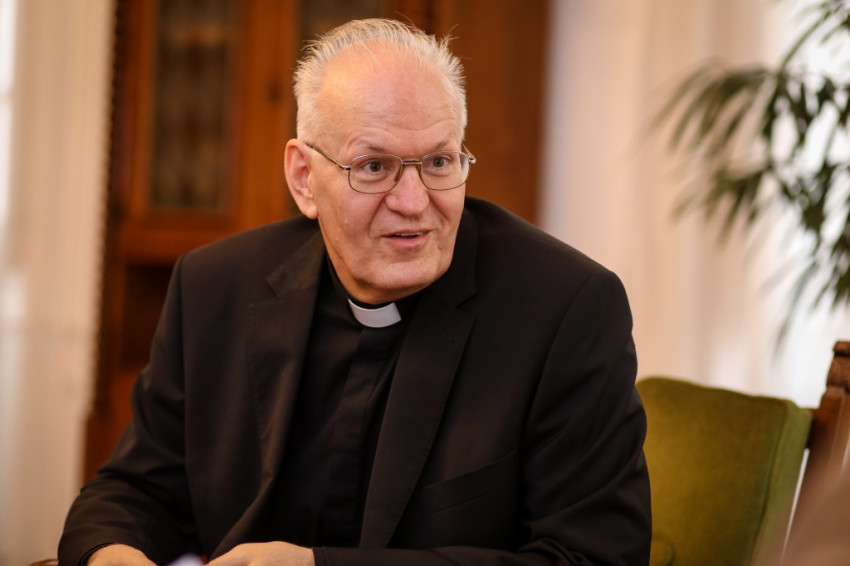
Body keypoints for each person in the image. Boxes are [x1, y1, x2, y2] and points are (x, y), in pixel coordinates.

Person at [58, 18, 651, 566]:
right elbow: (134, 490)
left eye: (439, 161)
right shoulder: (214, 287)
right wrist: (111, 553)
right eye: (373, 167)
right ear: (303, 178)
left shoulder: (566, 309)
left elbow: (595, 558)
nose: (414, 203)